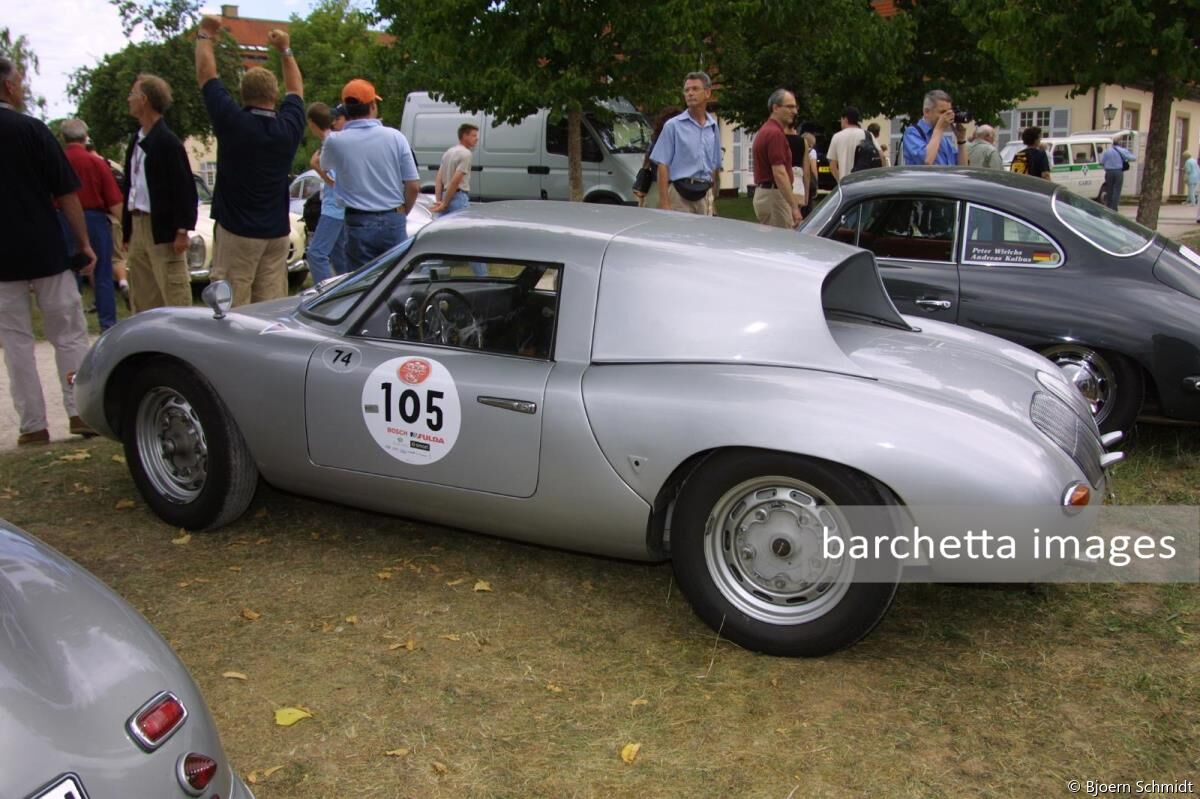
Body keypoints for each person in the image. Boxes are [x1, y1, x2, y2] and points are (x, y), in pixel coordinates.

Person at [0, 57, 97, 445]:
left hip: (2, 258)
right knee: (68, 333)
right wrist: (83, 243)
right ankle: (78, 410)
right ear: (8, 86)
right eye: (20, 81)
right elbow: (65, 193)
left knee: (15, 342)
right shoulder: (32, 130)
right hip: (45, 248)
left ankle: (33, 424)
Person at [196, 16, 305, 307]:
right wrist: (285, 50)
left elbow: (207, 75)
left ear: (243, 94)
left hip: (237, 233)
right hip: (276, 233)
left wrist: (206, 34)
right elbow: (296, 91)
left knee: (232, 309)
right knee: (269, 309)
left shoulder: (232, 121)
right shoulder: (288, 128)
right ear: (274, 95)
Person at [320, 78, 420, 269]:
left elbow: (325, 165)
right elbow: (413, 186)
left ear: (345, 109)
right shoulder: (395, 137)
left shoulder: (336, 141)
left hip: (358, 220)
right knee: (394, 281)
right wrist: (401, 213)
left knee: (363, 286)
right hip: (393, 217)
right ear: (373, 106)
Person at [122, 73, 197, 312]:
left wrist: (182, 230)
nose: (129, 99)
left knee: (172, 289)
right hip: (138, 224)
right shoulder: (136, 140)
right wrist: (127, 230)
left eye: (133, 94)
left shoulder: (167, 142)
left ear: (144, 99)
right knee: (143, 292)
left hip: (162, 228)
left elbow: (184, 189)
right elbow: (131, 185)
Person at [59, 119, 123, 331]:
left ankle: (72, 325)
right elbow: (114, 200)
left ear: (63, 137)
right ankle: (108, 325)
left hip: (64, 220)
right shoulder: (96, 163)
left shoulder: (58, 161)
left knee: (69, 275)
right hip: (95, 219)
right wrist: (126, 229)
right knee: (103, 273)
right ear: (85, 137)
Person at [649, 72, 722, 215]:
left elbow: (714, 166)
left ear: (707, 93)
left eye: (695, 89)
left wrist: (712, 200)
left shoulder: (713, 127)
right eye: (687, 90)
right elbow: (662, 165)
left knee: (703, 236)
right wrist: (664, 204)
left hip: (704, 194)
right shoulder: (673, 126)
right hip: (679, 195)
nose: (690, 93)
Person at [304, 102, 347, 282]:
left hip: (334, 209)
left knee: (316, 254)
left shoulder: (330, 142)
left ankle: (326, 294)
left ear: (312, 123)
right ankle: (350, 292)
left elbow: (336, 181)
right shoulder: (334, 140)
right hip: (340, 208)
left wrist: (316, 167)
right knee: (340, 257)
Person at [751, 89, 803, 229]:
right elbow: (779, 173)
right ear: (775, 108)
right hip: (774, 197)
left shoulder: (766, 130)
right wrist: (794, 206)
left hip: (767, 195)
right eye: (790, 107)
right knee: (782, 245)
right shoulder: (775, 134)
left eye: (795, 107)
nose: (795, 112)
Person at [902, 89, 969, 166]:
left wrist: (961, 141)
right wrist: (939, 129)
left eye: (949, 112)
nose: (947, 116)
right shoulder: (912, 133)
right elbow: (926, 161)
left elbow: (963, 168)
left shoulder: (943, 139)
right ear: (926, 112)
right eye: (943, 112)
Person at [432, 123, 479, 216]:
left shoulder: (448, 152)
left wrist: (439, 201)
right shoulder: (466, 154)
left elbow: (438, 179)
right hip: (458, 197)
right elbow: (455, 181)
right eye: (474, 135)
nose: (477, 138)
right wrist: (444, 203)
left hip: (445, 195)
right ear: (465, 136)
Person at [827, 106, 878, 181]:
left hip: (846, 185)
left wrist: (840, 182)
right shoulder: (868, 135)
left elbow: (832, 166)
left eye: (841, 120)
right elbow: (881, 156)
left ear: (845, 119)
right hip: (865, 183)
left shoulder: (836, 137)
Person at [1098, 138, 1135, 211]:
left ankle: (1109, 206)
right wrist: (1125, 159)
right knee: (1117, 190)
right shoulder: (1122, 150)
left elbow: (1102, 162)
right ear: (1120, 144)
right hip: (1118, 172)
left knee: (1109, 190)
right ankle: (1114, 207)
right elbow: (1133, 158)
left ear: (1113, 144)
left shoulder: (1107, 152)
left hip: (1109, 172)